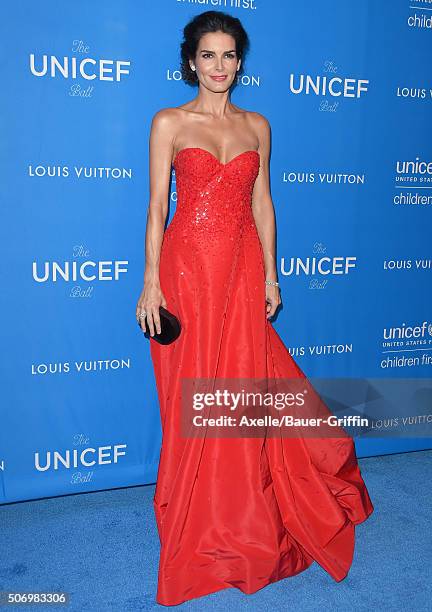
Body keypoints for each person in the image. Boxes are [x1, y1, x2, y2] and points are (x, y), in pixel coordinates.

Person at [135, 10, 374, 607]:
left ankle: (240, 512)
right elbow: (156, 209)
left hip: (242, 272)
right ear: (191, 60)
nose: (220, 66)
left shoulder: (258, 126)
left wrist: (272, 272)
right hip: (186, 273)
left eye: (230, 55)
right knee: (191, 393)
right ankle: (193, 515)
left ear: (241, 62)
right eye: (209, 55)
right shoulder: (168, 121)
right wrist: (149, 284)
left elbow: (264, 202)